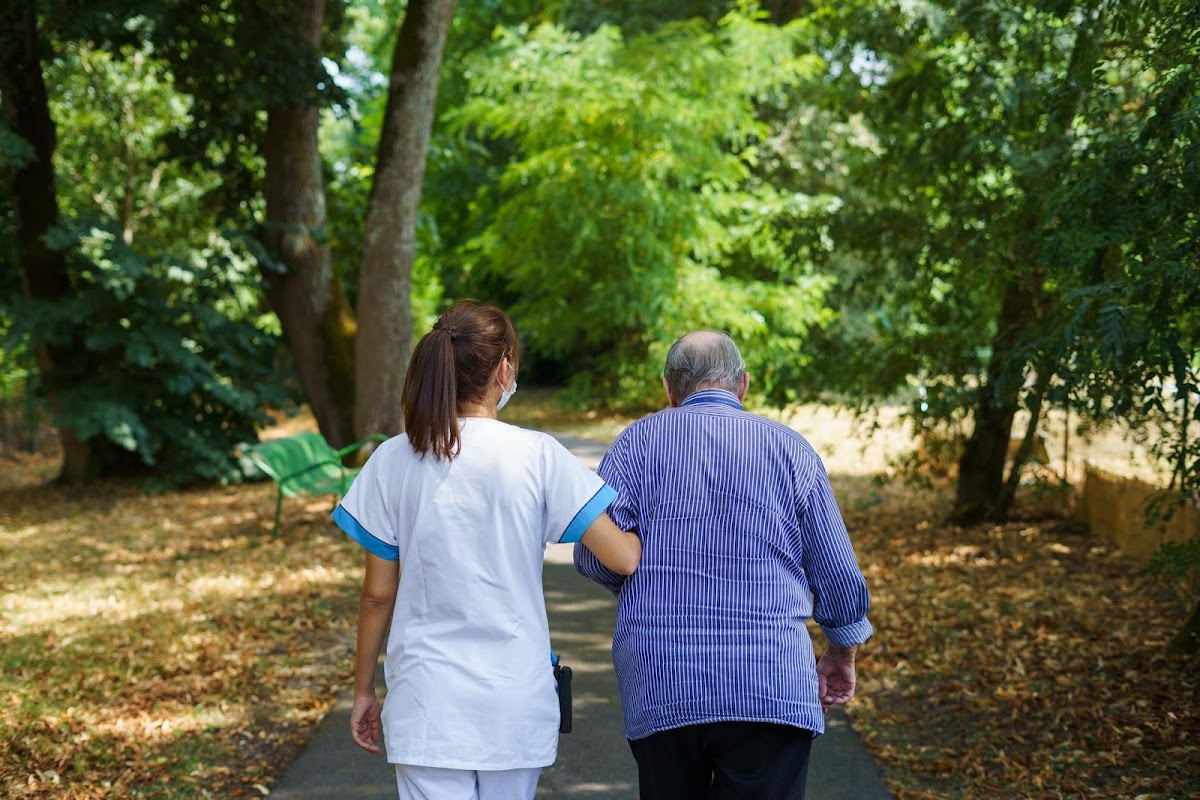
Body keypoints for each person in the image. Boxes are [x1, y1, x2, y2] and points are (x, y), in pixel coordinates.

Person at [332, 300, 641, 800]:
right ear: (504, 369)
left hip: (425, 701)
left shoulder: (392, 458)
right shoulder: (539, 455)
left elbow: (376, 597)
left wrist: (364, 690)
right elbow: (624, 557)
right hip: (513, 699)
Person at [574, 330, 873, 800]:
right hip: (770, 683)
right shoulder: (790, 449)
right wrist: (841, 651)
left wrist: (639, 582)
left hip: (662, 681)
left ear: (669, 389)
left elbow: (594, 554)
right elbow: (835, 569)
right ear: (744, 385)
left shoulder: (636, 444)